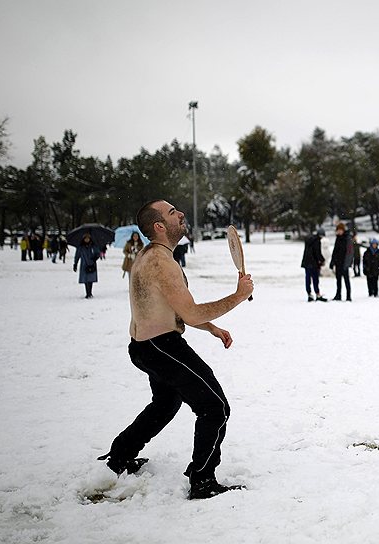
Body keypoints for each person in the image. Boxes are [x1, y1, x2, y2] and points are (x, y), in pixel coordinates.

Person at [97, 199, 254, 500]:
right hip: (162, 347)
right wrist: (238, 296)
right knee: (215, 408)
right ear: (159, 227)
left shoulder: (150, 256)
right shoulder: (161, 264)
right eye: (172, 213)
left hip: (144, 346)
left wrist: (212, 328)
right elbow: (192, 313)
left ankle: (119, 458)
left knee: (166, 403)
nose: (181, 214)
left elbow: (179, 310)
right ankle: (203, 480)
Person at [301, 228, 328, 302]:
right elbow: (317, 253)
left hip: (306, 262)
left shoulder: (309, 240)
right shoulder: (317, 241)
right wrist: (322, 260)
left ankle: (309, 294)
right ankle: (317, 294)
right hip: (314, 263)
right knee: (315, 279)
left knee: (308, 279)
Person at [329, 222, 353, 301]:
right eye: (338, 230)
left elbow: (349, 252)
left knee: (346, 280)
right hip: (338, 263)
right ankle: (338, 295)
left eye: (340, 230)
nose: (339, 232)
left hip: (344, 263)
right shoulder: (338, 239)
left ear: (343, 230)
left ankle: (348, 296)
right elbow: (335, 251)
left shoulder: (347, 238)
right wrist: (332, 262)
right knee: (338, 280)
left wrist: (347, 264)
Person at [73, 234, 101, 298]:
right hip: (84, 264)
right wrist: (75, 264)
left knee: (91, 279)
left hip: (92, 263)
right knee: (85, 279)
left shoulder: (93, 246)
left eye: (88, 238)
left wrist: (95, 258)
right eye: (86, 238)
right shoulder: (80, 247)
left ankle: (90, 292)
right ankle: (87, 293)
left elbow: (98, 253)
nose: (87, 240)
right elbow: (77, 255)